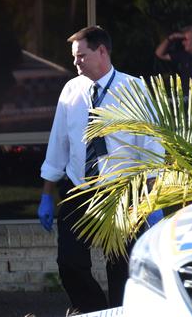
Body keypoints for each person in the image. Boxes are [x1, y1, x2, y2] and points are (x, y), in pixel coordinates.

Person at [37, 26, 164, 314]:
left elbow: (152, 149)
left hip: (121, 193)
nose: (75, 62)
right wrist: (47, 194)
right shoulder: (72, 90)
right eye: (74, 57)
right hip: (79, 188)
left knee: (120, 266)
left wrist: (151, 202)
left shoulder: (134, 89)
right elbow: (59, 143)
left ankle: (119, 312)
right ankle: (94, 311)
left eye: (81, 56)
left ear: (102, 52)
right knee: (69, 263)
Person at [155, 25, 192, 90]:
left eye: (186, 40)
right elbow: (159, 54)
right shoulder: (184, 55)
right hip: (187, 97)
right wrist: (171, 38)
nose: (183, 43)